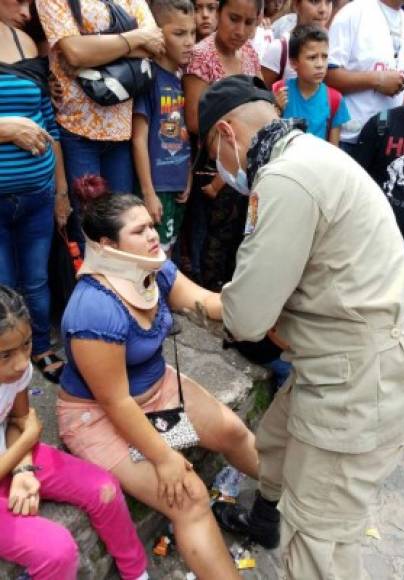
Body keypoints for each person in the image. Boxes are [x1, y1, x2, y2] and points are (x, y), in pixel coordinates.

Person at [196, 74, 404, 577]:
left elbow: (248, 318)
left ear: (228, 135)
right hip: (352, 359)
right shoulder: (310, 153)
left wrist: (192, 298)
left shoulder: (283, 179)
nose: (218, 168)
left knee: (317, 541)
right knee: (277, 442)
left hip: (360, 383)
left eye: (212, 150)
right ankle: (263, 519)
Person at [57, 176, 259, 580]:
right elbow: (115, 402)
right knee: (190, 499)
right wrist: (165, 458)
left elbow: (202, 300)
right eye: (139, 230)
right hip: (100, 417)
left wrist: (262, 302)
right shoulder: (93, 310)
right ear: (108, 246)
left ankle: (294, 504)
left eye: (150, 225)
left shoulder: (156, 268)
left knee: (232, 431)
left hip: (156, 391)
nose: (153, 234)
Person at [0, 285, 149, 580]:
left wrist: (23, 470)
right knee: (57, 552)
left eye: (27, 345)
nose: (21, 363)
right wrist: (27, 443)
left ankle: (137, 572)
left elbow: (18, 418)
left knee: (104, 488)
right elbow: (27, 430)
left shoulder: (17, 371)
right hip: (14, 451)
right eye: (5, 355)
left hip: (11, 454)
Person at [35, 0, 165, 244]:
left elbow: (155, 44)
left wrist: (92, 50)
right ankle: (97, 284)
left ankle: (122, 284)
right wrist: (134, 39)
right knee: (90, 236)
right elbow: (74, 53)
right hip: (77, 130)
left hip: (121, 130)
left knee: (127, 231)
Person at [355, 43, 404, 415]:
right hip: (369, 249)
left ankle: (397, 411)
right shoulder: (384, 125)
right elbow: (355, 186)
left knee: (402, 336)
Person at [0, 0, 71, 384]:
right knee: (4, 286)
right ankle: (8, 362)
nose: (27, 9)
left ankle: (41, 347)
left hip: (37, 194)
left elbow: (48, 119)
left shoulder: (25, 41)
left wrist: (60, 188)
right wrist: (5, 129)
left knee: (37, 280)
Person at [184, 0, 262, 291]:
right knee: (208, 232)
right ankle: (202, 291)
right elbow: (194, 120)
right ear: (219, 13)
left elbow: (260, 101)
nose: (240, 30)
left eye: (249, 22)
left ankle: (231, 287)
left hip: (246, 158)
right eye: (233, 18)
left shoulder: (250, 53)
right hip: (211, 161)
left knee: (240, 229)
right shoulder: (202, 56)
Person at [132, 0, 195, 255]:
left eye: (192, 33)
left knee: (169, 253)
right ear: (157, 34)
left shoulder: (183, 79)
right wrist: (148, 192)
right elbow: (138, 139)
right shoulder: (149, 79)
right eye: (179, 34)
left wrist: (187, 175)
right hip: (156, 188)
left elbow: (184, 132)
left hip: (178, 184)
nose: (189, 41)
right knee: (155, 257)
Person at [326, 0, 404, 158]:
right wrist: (377, 79)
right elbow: (327, 75)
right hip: (348, 139)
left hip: (389, 142)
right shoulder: (354, 12)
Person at [275, 24, 349, 144]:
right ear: (294, 63)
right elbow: (268, 134)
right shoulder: (280, 91)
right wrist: (276, 109)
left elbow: (333, 150)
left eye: (324, 57)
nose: (320, 64)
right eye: (312, 57)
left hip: (317, 162)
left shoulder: (335, 100)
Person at [261, 0, 333, 89]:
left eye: (328, 2)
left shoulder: (334, 44)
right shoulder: (280, 48)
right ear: (296, 4)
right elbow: (262, 94)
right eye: (315, 1)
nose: (323, 9)